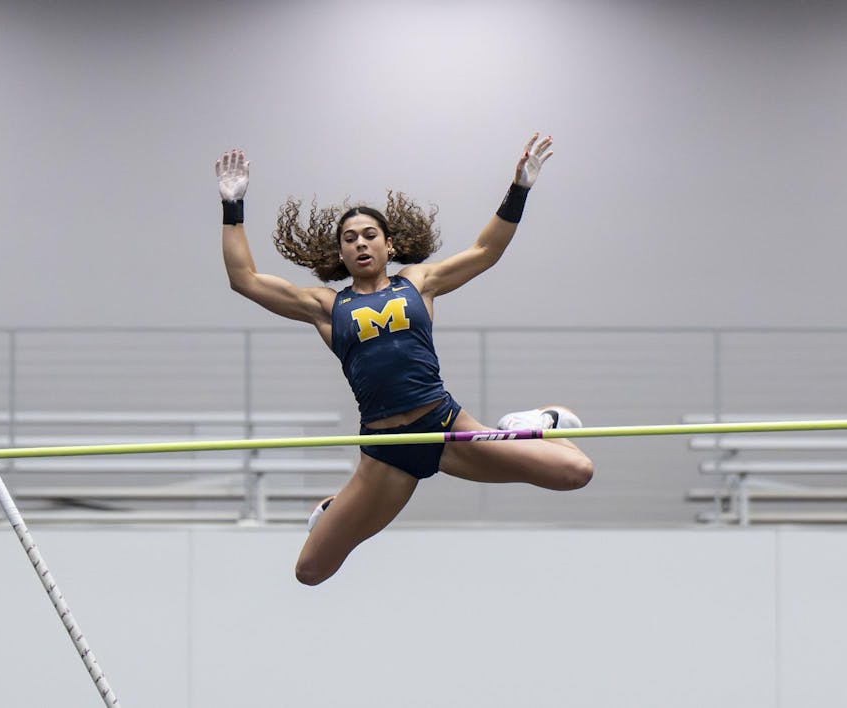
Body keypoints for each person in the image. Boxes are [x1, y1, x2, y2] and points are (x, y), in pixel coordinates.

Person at [216, 134, 593, 586]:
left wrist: (520, 188)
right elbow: (245, 279)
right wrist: (232, 206)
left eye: (370, 235)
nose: (360, 244)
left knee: (577, 472)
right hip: (386, 453)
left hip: (445, 427)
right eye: (350, 238)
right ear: (341, 253)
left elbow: (485, 251)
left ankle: (531, 423)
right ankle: (336, 507)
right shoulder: (325, 306)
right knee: (311, 571)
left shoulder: (418, 282)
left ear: (388, 245)